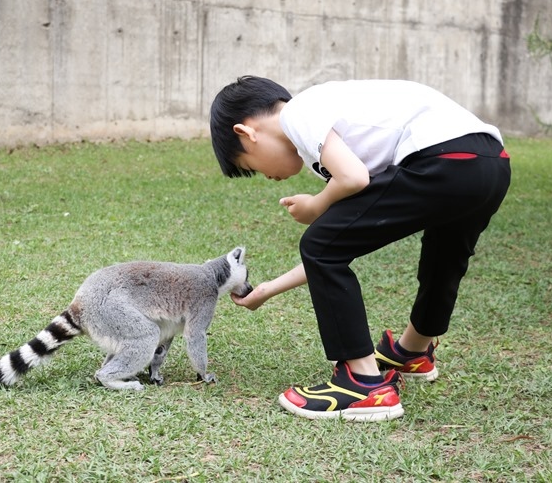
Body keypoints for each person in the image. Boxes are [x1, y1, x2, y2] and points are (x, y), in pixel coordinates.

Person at [209, 76, 511, 421]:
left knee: (319, 242)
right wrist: (268, 289)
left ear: (247, 133)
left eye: (251, 166)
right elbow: (340, 245)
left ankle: (361, 384)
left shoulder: (296, 114)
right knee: (444, 255)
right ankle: (411, 353)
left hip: (443, 158)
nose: (267, 176)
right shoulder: (336, 123)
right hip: (489, 162)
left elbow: (352, 181)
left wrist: (316, 207)